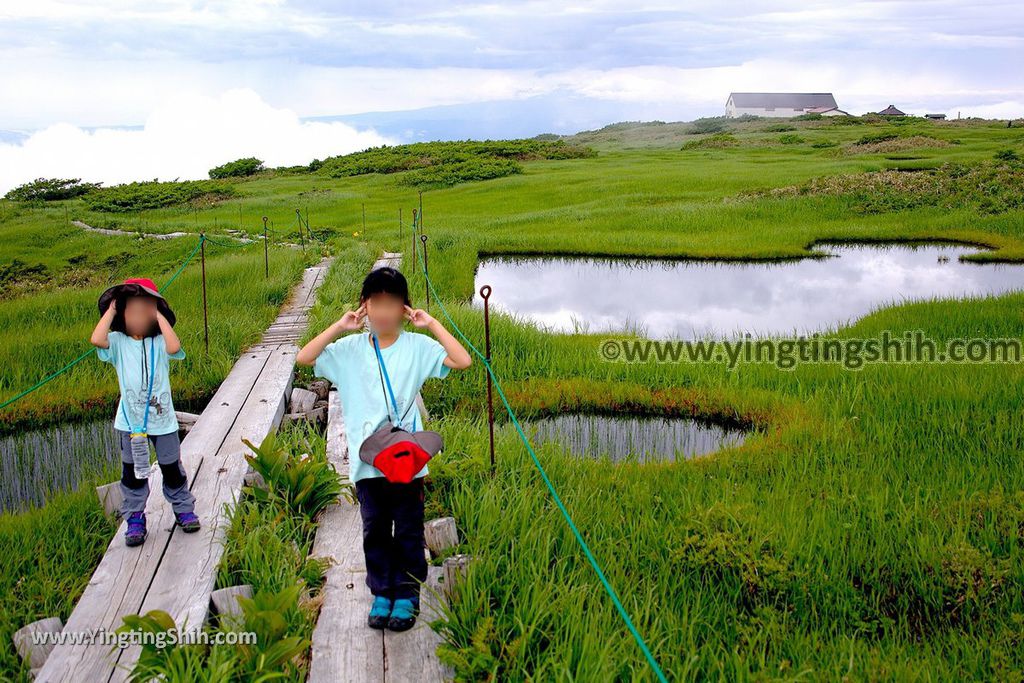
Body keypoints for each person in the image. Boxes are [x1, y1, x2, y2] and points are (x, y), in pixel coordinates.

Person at [297, 266, 471, 631]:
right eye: (376, 303)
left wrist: (432, 324)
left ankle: (406, 594)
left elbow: (462, 360)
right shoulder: (349, 349)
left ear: (404, 308)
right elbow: (305, 358)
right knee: (374, 527)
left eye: (392, 303)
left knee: (408, 528)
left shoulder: (417, 347)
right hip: (367, 461)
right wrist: (340, 325)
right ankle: (381, 591)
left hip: (407, 462)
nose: (384, 312)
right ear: (364, 306)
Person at [90, 277, 198, 547]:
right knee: (132, 473)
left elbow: (175, 347)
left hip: (164, 422)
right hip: (130, 424)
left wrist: (159, 315)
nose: (138, 318)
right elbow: (96, 339)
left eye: (144, 312)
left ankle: (183, 509)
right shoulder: (117, 342)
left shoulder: (160, 342)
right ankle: (135, 518)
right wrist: (112, 309)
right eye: (132, 312)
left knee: (171, 467)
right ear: (122, 315)